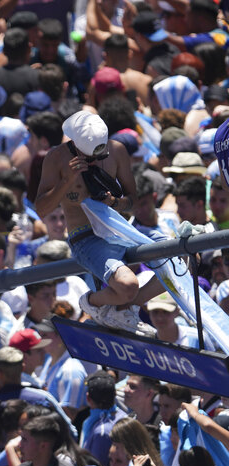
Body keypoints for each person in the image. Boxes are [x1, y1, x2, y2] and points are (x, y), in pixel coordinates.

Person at [35, 111, 164, 334]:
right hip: (86, 237)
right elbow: (41, 209)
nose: (96, 161)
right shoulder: (56, 158)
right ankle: (92, 302)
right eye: (90, 157)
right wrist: (67, 182)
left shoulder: (117, 150)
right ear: (75, 145)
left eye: (100, 156)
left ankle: (125, 305)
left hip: (122, 232)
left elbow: (132, 202)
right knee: (127, 285)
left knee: (187, 258)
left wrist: (114, 202)